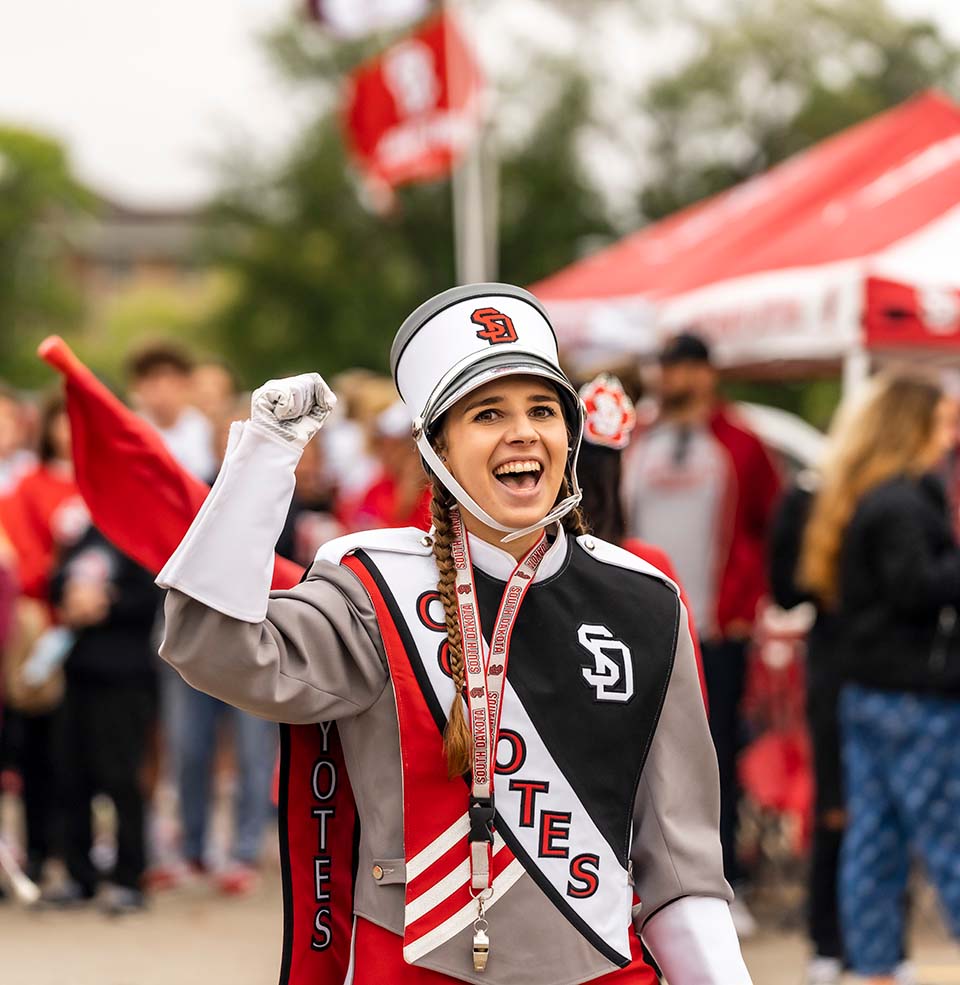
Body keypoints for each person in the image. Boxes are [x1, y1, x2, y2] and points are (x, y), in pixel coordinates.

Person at [156, 283, 751, 984]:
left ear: (571, 433)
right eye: (488, 413)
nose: (523, 432)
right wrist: (264, 455)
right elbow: (213, 646)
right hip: (413, 963)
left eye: (542, 410)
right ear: (436, 448)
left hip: (597, 967)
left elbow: (680, 869)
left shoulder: (646, 598)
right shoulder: (372, 584)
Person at [799, 371, 960, 985]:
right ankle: (876, 964)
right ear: (911, 426)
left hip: (867, 691)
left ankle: (876, 967)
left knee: (875, 840)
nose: (948, 439)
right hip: (914, 695)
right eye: (942, 423)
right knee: (944, 836)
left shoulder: (864, 495)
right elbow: (915, 588)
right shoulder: (900, 500)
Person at [622, 332, 781, 930]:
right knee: (636, 754)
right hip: (639, 625)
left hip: (715, 628)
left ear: (709, 374)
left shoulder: (741, 445)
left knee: (714, 755)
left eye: (688, 368)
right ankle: (640, 878)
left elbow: (773, 524)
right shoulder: (638, 440)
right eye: (669, 367)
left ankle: (721, 882)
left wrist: (749, 596)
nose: (678, 379)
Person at [46, 526, 160, 913]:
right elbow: (57, 578)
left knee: (121, 778)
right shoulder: (85, 535)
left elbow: (153, 596)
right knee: (71, 775)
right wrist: (70, 595)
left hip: (124, 680)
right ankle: (80, 877)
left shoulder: (140, 536)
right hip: (78, 674)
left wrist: (106, 601)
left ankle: (130, 877)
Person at [127, 342, 215, 481]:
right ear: (138, 386)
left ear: (185, 384)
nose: (164, 393)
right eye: (154, 384)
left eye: (171, 383)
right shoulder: (130, 433)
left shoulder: (207, 429)